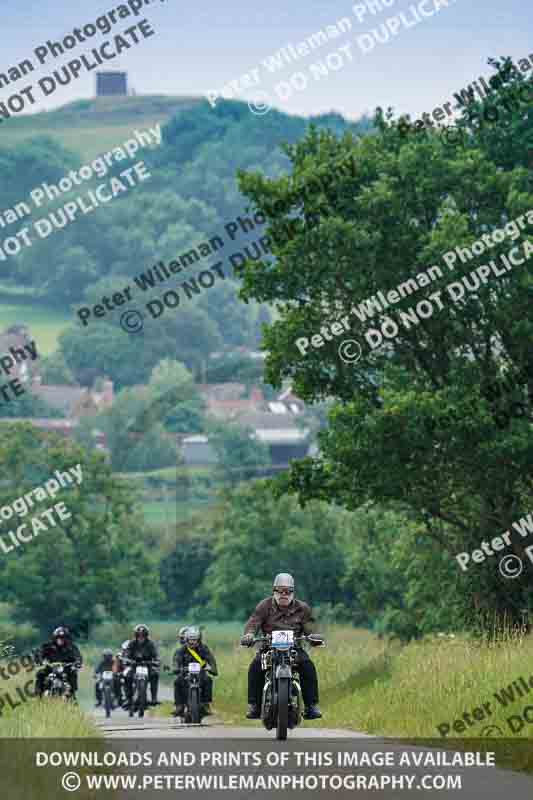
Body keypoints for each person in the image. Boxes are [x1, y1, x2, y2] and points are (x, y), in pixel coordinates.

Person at [240, 572, 323, 720]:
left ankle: (312, 706)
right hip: (269, 647)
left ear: (293, 592)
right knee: (255, 667)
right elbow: (254, 622)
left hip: (294, 648)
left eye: (288, 591)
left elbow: (311, 627)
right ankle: (255, 706)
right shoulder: (264, 605)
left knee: (308, 666)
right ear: (274, 591)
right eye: (280, 590)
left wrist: (314, 636)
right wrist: (249, 635)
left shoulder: (302, 608)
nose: (284, 594)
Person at [172, 626, 218, 717]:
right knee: (177, 681)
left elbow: (211, 659)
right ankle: (179, 705)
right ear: (186, 640)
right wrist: (176, 668)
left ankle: (206, 704)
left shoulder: (204, 648)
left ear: (199, 640)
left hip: (201, 673)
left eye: (195, 640)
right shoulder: (181, 650)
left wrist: (213, 669)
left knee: (208, 680)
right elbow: (176, 660)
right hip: (185, 674)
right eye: (190, 640)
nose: (192, 642)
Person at [35, 626, 83, 699]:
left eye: (63, 638)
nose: (61, 640)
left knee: (73, 673)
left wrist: (78, 662)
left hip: (66, 668)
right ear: (55, 638)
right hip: (50, 668)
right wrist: (40, 660)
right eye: (59, 637)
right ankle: (38, 696)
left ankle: (72, 696)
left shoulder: (71, 647)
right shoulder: (47, 646)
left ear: (66, 638)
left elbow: (78, 656)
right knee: (40, 673)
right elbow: (40, 653)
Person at [123, 624, 160, 706]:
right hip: (134, 665)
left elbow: (155, 654)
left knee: (155, 674)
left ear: (146, 635)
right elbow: (127, 653)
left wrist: (156, 661)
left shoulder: (150, 643)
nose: (141, 637)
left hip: (148, 665)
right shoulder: (132, 643)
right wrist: (127, 660)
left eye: (143, 635)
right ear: (136, 635)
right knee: (127, 676)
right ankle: (128, 698)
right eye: (139, 635)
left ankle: (154, 698)